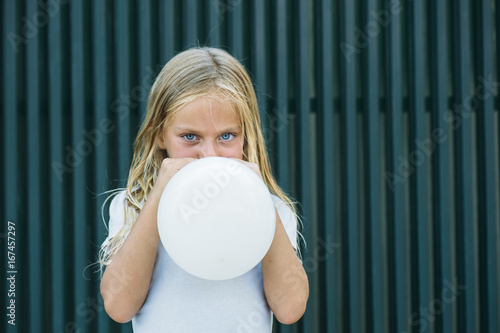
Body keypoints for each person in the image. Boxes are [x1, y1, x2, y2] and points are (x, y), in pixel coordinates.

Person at [99, 47, 309, 332]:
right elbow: (119, 307)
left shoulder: (271, 209)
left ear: (245, 137)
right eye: (190, 136)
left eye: (226, 136)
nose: (209, 155)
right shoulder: (133, 205)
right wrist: (158, 196)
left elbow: (290, 309)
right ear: (160, 134)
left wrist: (261, 202)